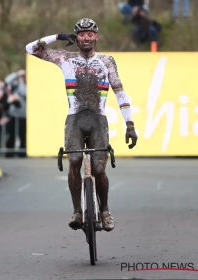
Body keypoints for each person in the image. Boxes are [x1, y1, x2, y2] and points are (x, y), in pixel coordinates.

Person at [25, 18, 138, 232]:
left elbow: (120, 92)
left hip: (98, 120)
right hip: (74, 120)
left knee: (98, 168)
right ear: (75, 38)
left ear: (96, 37)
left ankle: (104, 210)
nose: (85, 37)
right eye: (81, 34)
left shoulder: (107, 61)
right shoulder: (64, 58)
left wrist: (130, 125)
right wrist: (57, 36)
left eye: (90, 33)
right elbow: (30, 48)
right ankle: (77, 211)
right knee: (74, 160)